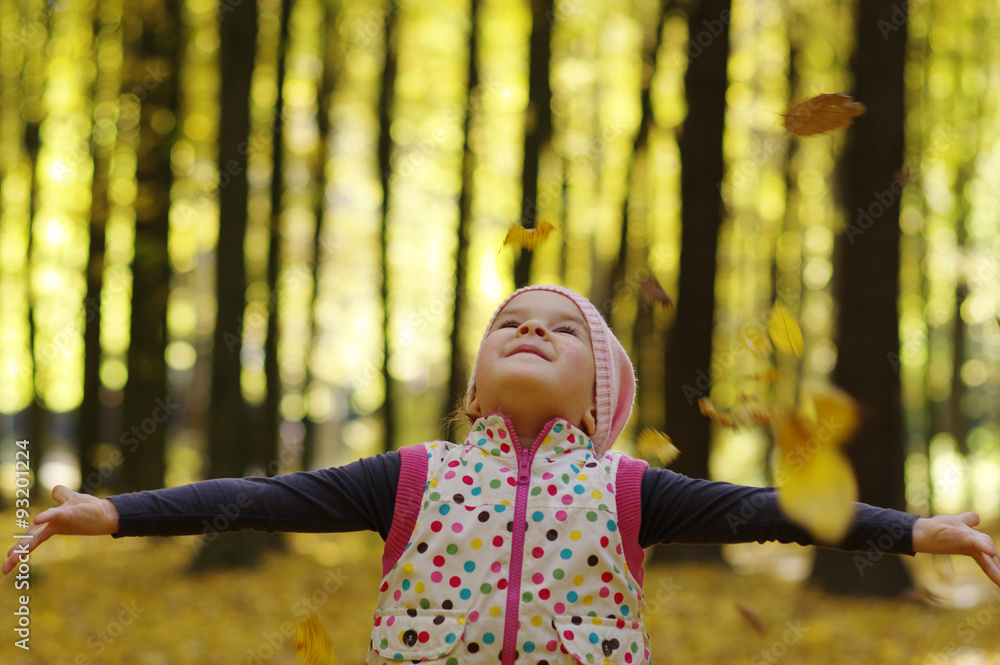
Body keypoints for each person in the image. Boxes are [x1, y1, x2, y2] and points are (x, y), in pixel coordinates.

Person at [5, 285, 1000, 665]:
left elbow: (771, 510)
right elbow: (258, 498)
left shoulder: (626, 488)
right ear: (477, 385)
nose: (530, 327)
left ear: (591, 397)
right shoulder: (410, 473)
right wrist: (115, 510)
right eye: (509, 322)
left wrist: (917, 530)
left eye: (563, 328)